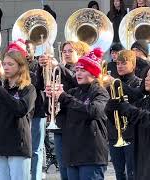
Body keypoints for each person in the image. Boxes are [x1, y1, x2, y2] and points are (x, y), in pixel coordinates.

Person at [46, 48, 109, 180]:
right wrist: (53, 101)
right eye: (77, 70)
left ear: (93, 73)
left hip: (91, 155)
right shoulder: (74, 92)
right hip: (73, 154)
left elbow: (94, 111)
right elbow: (62, 120)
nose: (78, 73)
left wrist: (64, 98)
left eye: (83, 70)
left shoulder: (100, 92)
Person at [38, 41, 90, 180]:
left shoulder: (82, 72)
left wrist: (58, 67)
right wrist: (41, 67)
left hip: (77, 124)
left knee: (76, 167)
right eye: (64, 51)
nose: (66, 54)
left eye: (70, 51)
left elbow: (76, 81)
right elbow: (39, 85)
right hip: (60, 122)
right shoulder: (59, 68)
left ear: (80, 53)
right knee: (63, 168)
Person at [0, 40, 37, 180]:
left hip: (18, 145)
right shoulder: (0, 89)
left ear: (21, 67)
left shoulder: (29, 89)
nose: (6, 67)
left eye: (10, 64)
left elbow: (20, 109)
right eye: (4, 64)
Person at [107, 50, 142, 180]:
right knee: (119, 173)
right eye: (118, 63)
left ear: (133, 65)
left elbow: (136, 96)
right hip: (114, 133)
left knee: (133, 172)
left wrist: (117, 83)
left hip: (132, 134)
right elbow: (106, 110)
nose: (120, 66)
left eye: (124, 63)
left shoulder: (139, 82)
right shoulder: (111, 85)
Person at [24, 40, 47, 180]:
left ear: (34, 51)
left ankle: (36, 177)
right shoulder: (18, 65)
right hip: (22, 112)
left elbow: (40, 84)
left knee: (36, 148)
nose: (26, 52)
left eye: (28, 49)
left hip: (37, 109)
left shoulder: (38, 65)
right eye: (24, 49)